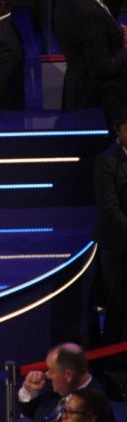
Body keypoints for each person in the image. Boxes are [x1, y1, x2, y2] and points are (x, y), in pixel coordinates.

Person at [55, 0, 127, 126]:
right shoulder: (91, 13)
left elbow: (86, 37)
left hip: (78, 91)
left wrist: (116, 32)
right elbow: (103, 67)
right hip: (97, 103)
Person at [96, 111, 127, 347]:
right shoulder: (107, 160)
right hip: (116, 243)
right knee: (119, 303)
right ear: (119, 130)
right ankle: (115, 360)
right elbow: (109, 208)